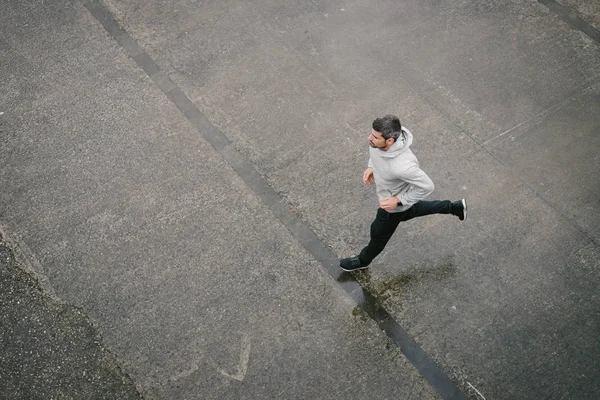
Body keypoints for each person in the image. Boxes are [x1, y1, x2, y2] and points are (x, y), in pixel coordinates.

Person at [339, 115, 467, 272]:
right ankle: (454, 207)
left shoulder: (403, 166)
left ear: (390, 141)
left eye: (375, 137)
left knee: (378, 233)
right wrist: (371, 167)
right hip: (397, 200)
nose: (369, 138)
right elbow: (376, 157)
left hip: (392, 207)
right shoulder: (376, 144)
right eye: (371, 134)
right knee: (413, 209)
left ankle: (363, 260)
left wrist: (398, 201)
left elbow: (427, 186)